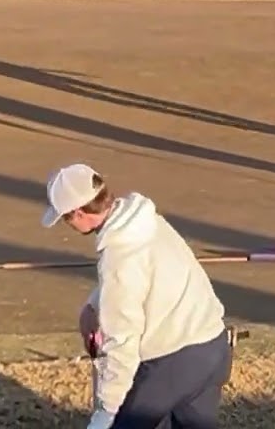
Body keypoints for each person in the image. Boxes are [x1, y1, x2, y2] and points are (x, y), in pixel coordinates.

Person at [40, 163, 232, 429]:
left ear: (78, 213)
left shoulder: (118, 256)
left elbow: (122, 342)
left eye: (64, 218)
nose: (66, 224)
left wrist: (107, 410)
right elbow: (139, 279)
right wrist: (93, 307)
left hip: (171, 363)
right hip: (213, 346)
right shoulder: (147, 221)